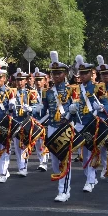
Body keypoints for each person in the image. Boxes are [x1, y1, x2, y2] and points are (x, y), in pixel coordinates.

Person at [71, 55, 108, 193]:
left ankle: (90, 180)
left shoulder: (99, 87)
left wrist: (100, 108)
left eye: (85, 73)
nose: (82, 76)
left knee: (91, 153)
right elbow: (72, 106)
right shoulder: (75, 89)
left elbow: (107, 106)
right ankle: (90, 177)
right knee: (82, 156)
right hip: (79, 124)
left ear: (91, 73)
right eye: (80, 73)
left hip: (93, 124)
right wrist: (72, 110)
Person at [43, 51, 77, 202]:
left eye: (59, 73)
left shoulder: (72, 90)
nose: (56, 76)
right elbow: (43, 111)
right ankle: (62, 186)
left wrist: (73, 111)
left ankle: (64, 190)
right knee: (54, 162)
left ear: (65, 74)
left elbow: (78, 110)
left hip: (65, 127)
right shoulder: (48, 92)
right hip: (51, 127)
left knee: (65, 159)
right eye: (53, 73)